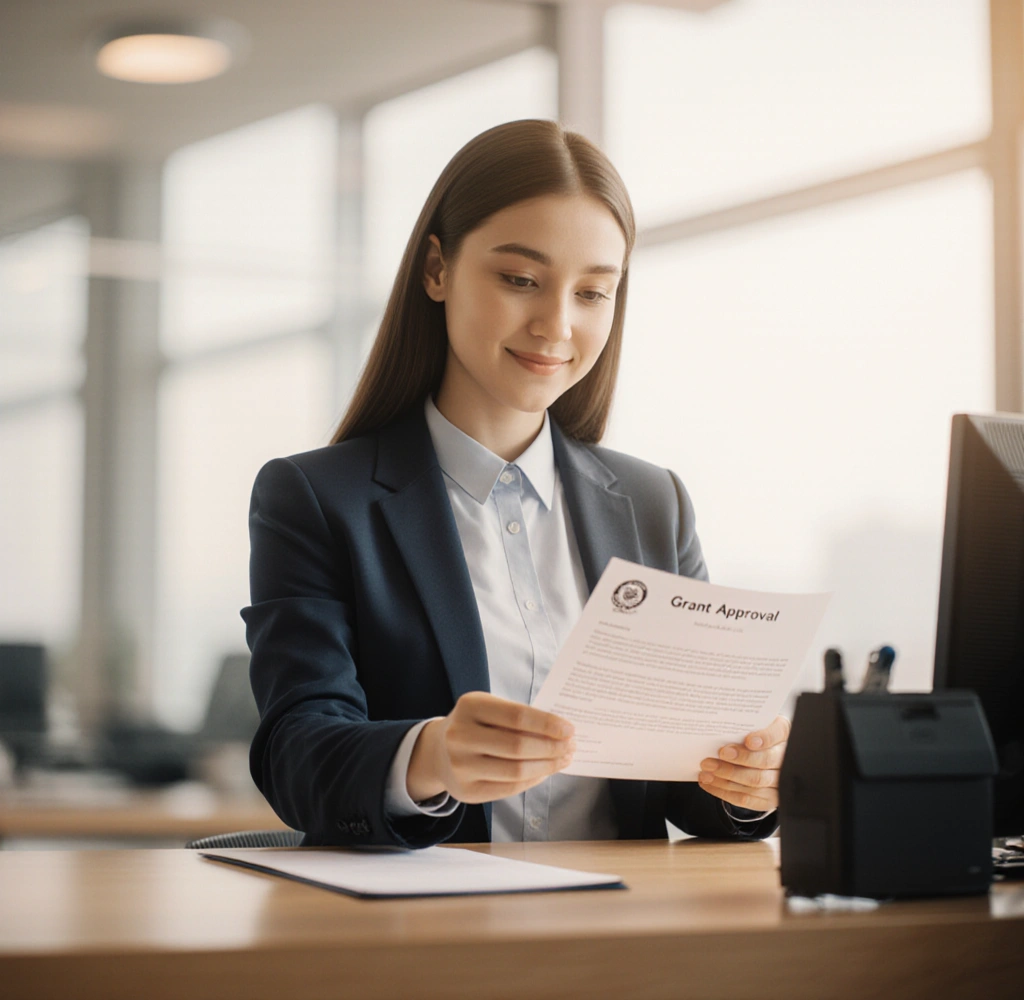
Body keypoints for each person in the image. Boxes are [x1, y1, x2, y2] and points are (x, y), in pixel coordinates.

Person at [243, 119, 788, 848]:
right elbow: (296, 752)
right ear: (436, 270)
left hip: (622, 926)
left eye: (593, 293)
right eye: (521, 280)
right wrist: (430, 757)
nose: (556, 325)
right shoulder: (315, 500)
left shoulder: (654, 504)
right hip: (433, 938)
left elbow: (681, 783)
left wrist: (747, 781)